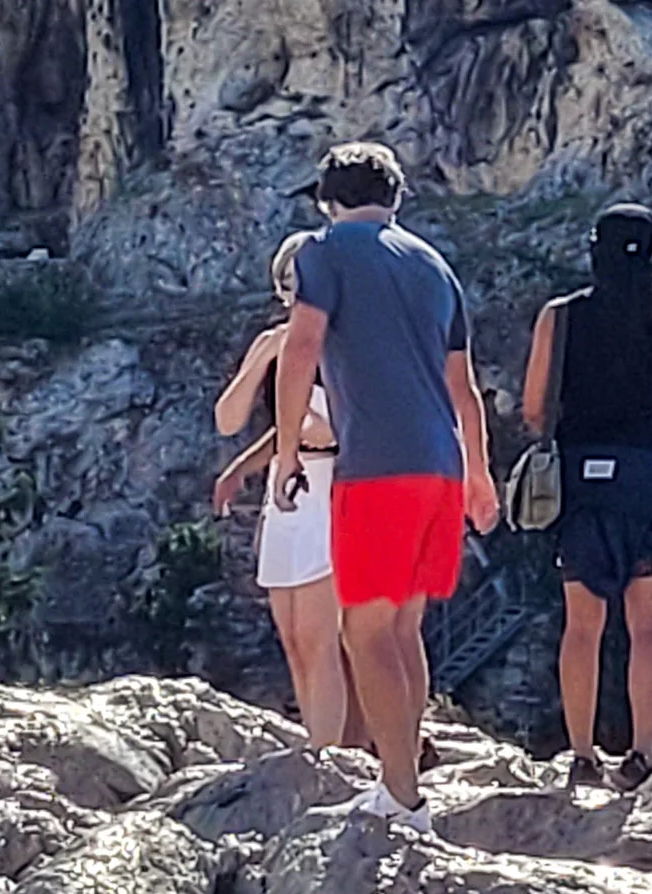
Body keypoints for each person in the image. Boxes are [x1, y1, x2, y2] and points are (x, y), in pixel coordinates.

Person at [272, 141, 501, 837]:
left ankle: (402, 798)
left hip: (375, 464)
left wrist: (286, 451)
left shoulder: (323, 249)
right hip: (441, 465)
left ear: (326, 198)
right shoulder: (435, 266)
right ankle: (399, 778)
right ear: (396, 197)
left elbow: (302, 345)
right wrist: (480, 475)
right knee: (402, 628)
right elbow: (466, 390)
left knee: (362, 630)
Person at [521, 204, 652, 791]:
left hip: (579, 477)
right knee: (648, 625)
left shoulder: (560, 316)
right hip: (641, 477)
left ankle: (582, 754)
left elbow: (532, 409)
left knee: (582, 624)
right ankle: (644, 752)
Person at [212, 232, 362, 751]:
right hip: (288, 495)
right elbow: (231, 419)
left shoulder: (345, 346)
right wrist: (264, 358)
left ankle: (329, 752)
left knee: (322, 637)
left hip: (329, 490)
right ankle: (316, 741)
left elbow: (344, 427)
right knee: (294, 638)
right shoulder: (274, 342)